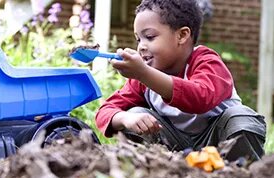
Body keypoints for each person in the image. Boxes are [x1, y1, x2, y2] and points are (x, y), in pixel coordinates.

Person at [95, 0, 266, 161]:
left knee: (241, 118)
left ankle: (242, 175)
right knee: (135, 115)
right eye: (138, 39)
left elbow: (200, 98)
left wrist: (144, 73)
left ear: (182, 35)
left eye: (150, 36)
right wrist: (125, 118)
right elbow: (106, 111)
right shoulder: (142, 77)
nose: (141, 46)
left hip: (219, 145)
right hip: (172, 148)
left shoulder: (207, 62)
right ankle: (155, 174)